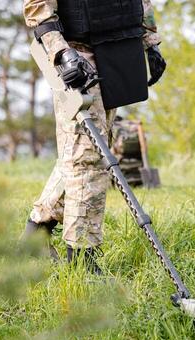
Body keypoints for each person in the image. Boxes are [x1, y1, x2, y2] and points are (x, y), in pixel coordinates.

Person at [22, 0, 166, 274]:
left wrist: (150, 43)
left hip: (120, 51)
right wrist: (61, 52)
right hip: (77, 56)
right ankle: (81, 259)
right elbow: (37, 8)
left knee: (84, 151)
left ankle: (35, 235)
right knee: (88, 157)